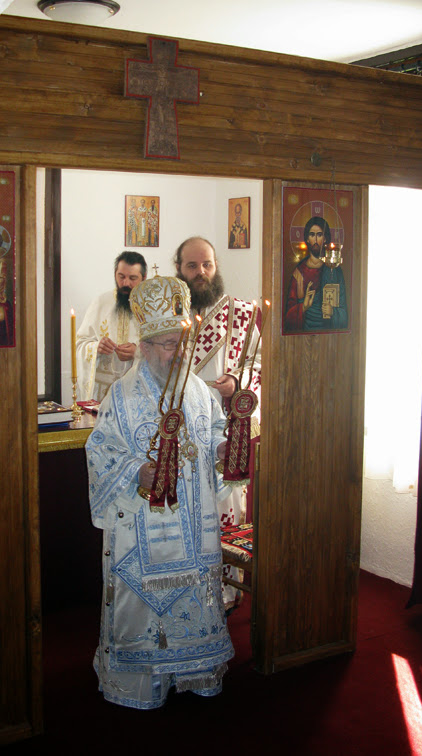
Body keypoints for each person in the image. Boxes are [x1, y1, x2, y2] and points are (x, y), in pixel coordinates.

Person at [86, 275, 234, 710]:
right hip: (142, 528)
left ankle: (196, 673)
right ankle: (144, 684)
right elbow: (100, 451)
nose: (179, 352)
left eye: (182, 342)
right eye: (170, 344)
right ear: (147, 345)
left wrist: (224, 449)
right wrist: (137, 471)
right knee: (146, 607)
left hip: (195, 525)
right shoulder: (121, 396)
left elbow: (213, 433)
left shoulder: (199, 390)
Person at [174, 236, 261, 611]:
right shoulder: (168, 313)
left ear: (216, 266)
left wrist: (237, 382)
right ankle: (185, 586)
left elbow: (258, 363)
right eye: (192, 266)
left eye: (207, 264)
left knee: (225, 507)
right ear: (179, 269)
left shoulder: (240, 314)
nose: (201, 272)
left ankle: (224, 592)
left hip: (225, 428)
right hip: (181, 431)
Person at [75, 251, 147, 401]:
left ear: (144, 278)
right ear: (115, 274)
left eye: (132, 278)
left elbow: (165, 351)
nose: (126, 283)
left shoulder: (153, 308)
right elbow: (80, 343)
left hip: (138, 391)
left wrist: (138, 352)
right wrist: (96, 347)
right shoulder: (101, 302)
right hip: (103, 394)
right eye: (121, 276)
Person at [284, 215, 348, 332]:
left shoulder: (334, 270)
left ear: (325, 238)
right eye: (312, 235)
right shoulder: (299, 272)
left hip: (329, 337)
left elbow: (344, 315)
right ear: (307, 239)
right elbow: (288, 319)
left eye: (319, 235)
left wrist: (333, 312)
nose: (315, 240)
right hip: (303, 336)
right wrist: (303, 307)